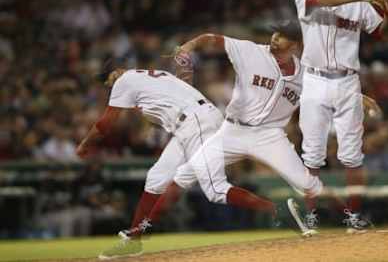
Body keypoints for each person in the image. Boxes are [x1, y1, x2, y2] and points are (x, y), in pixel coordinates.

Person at [118, 21, 329, 248]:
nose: (276, 37)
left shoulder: (305, 73)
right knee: (184, 176)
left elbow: (326, 90)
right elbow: (213, 39)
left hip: (269, 135)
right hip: (232, 130)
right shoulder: (250, 51)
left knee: (306, 182)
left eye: (284, 35)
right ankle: (141, 230)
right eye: (276, 32)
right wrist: (190, 45)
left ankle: (319, 225)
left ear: (296, 45)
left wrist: (358, 98)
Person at [77, 67, 224, 259]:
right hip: (198, 120)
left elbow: (106, 123)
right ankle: (134, 240)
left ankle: (137, 235)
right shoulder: (152, 76)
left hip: (195, 123)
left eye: (111, 77)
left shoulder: (125, 80)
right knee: (156, 179)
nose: (112, 83)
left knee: (184, 181)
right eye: (108, 81)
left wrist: (85, 144)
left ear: (120, 71)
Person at [294, 0, 388, 232]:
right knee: (312, 153)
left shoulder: (357, 2)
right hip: (314, 81)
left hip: (348, 82)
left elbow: (379, 29)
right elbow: (324, 1)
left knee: (352, 155)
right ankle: (311, 217)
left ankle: (353, 217)